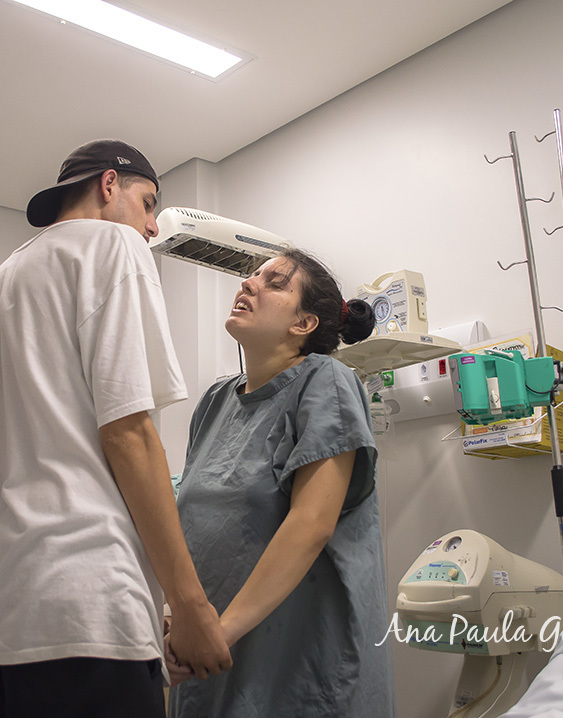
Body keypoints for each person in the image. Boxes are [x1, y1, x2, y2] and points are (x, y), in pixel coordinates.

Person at [0, 139, 231, 718]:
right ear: (109, 184)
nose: (151, 228)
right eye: (149, 205)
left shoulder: (6, 277)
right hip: (85, 599)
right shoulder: (114, 244)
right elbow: (129, 434)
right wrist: (189, 605)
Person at [166, 248, 397, 717]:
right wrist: (183, 618)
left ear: (304, 324)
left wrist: (219, 631)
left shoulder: (325, 382)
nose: (248, 284)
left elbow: (312, 524)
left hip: (295, 667)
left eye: (273, 282)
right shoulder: (215, 401)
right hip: (209, 658)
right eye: (251, 276)